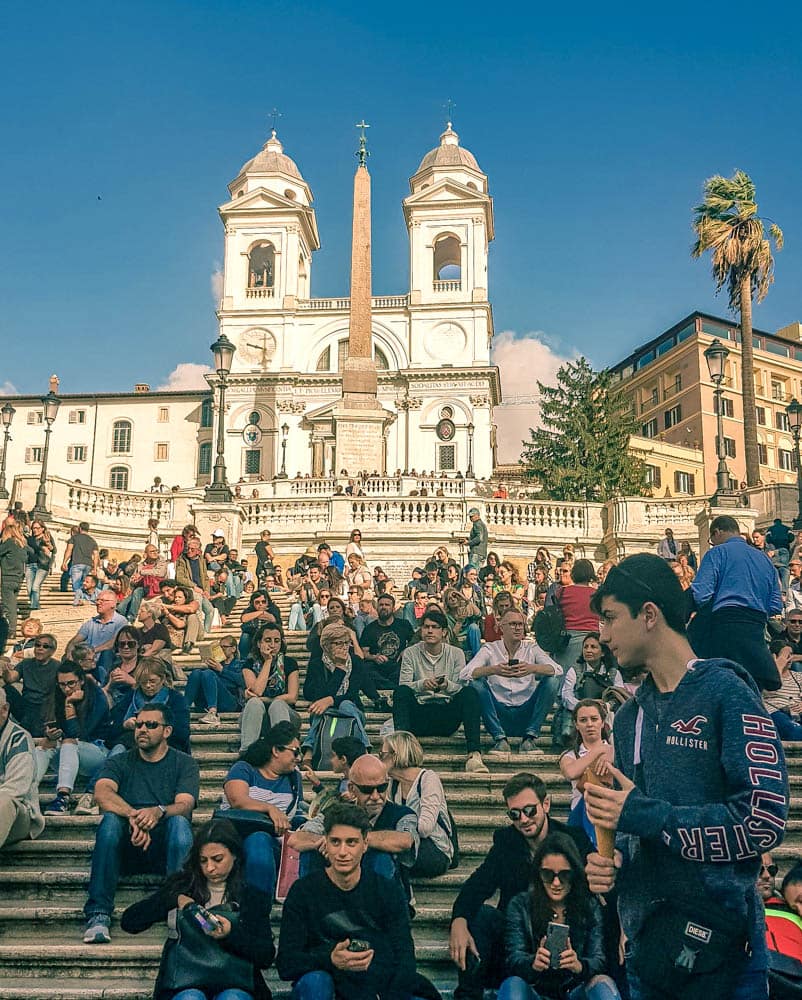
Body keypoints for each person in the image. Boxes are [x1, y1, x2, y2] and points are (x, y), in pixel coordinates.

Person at [584, 553, 789, 1000]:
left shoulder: (728, 693)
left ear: (650, 615)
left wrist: (647, 817)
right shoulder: (627, 718)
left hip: (723, 951)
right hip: (648, 953)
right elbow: (635, 826)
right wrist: (613, 861)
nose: (602, 634)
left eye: (611, 618)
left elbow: (763, 820)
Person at [449, 772, 592, 1000]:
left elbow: (595, 887)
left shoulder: (572, 839)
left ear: (546, 803)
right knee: (481, 917)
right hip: (516, 941)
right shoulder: (507, 841)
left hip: (563, 937)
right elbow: (478, 885)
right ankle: (467, 996)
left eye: (529, 810)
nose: (523, 820)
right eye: (514, 814)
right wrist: (459, 920)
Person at [277, 801, 430, 1000]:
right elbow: (286, 963)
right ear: (325, 842)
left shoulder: (386, 890)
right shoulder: (304, 891)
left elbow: (404, 958)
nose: (342, 852)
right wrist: (330, 958)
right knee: (315, 982)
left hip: (375, 984)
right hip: (326, 983)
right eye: (335, 842)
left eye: (351, 842)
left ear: (365, 844)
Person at [83, 702, 200, 944]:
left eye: (151, 724)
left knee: (179, 824)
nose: (142, 729)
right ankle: (98, 914)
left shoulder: (184, 763)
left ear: (167, 731)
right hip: (127, 846)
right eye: (139, 724)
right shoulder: (120, 761)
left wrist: (158, 812)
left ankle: (179, 910)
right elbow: (102, 793)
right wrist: (133, 816)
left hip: (166, 850)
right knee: (110, 822)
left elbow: (185, 804)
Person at [121, 817, 275, 1000]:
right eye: (203, 861)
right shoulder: (182, 886)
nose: (210, 868)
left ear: (235, 855)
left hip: (235, 981)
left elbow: (266, 955)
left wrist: (231, 934)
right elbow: (129, 922)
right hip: (185, 981)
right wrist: (173, 898)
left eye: (218, 859)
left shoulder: (251, 896)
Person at [497, 832, 619, 1000]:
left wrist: (578, 965)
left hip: (575, 990)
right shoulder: (521, 905)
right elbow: (513, 957)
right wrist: (533, 962)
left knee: (603, 984)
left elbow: (598, 958)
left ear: (574, 874)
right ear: (539, 874)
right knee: (512, 985)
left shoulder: (589, 906)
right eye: (548, 874)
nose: (556, 883)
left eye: (564, 875)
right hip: (536, 991)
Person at [288, 753, 419, 893]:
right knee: (310, 854)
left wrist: (351, 841)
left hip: (383, 897)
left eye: (381, 788)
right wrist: (327, 842)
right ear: (351, 788)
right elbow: (296, 839)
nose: (375, 796)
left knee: (381, 858)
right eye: (367, 790)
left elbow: (405, 841)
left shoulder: (402, 814)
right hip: (337, 893)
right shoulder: (336, 812)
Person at [689, 513, 783, 690]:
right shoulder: (764, 559)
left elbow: (701, 594)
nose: (712, 543)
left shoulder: (717, 553)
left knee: (720, 688)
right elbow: (775, 605)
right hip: (756, 632)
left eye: (711, 539)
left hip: (725, 629)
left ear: (717, 532)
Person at [220, 722, 306, 906]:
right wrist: (270, 809)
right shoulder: (244, 769)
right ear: (276, 750)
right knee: (258, 839)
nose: (299, 758)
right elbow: (237, 800)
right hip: (238, 839)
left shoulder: (294, 778)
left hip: (277, 844)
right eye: (295, 752)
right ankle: (257, 911)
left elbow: (295, 812)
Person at [394, 608, 487, 773]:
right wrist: (422, 684)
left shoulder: (456, 653)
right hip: (420, 714)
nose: (429, 630)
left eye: (434, 627)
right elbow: (404, 685)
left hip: (446, 714)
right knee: (400, 692)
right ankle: (403, 753)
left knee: (470, 693)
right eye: (426, 626)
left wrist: (446, 686)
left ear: (444, 632)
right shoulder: (410, 653)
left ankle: (474, 755)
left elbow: (461, 686)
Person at [462, 608, 562, 757]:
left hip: (525, 711)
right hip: (499, 713)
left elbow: (558, 669)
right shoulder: (490, 648)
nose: (518, 628)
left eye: (520, 624)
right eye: (513, 624)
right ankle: (500, 739)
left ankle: (530, 738)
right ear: (502, 627)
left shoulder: (531, 648)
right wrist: (493, 670)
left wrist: (532, 668)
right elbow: (464, 674)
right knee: (476, 684)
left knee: (552, 681)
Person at [35, 661, 112, 815]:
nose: (67, 688)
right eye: (62, 684)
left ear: (81, 680)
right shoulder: (57, 696)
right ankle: (27, 790)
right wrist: (50, 736)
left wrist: (69, 705)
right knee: (42, 748)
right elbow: (56, 729)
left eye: (71, 683)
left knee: (69, 742)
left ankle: (63, 797)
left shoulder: (96, 696)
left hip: (97, 752)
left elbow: (79, 734)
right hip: (68, 755)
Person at [300, 624, 382, 767]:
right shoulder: (317, 664)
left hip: (352, 711)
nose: (344, 647)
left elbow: (352, 694)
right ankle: (308, 751)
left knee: (345, 704)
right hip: (324, 712)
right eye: (338, 643)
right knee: (322, 710)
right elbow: (315, 696)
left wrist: (330, 700)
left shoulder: (356, 662)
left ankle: (366, 748)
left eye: (346, 642)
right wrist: (339, 669)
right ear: (326, 645)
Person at [381, 731, 454, 877]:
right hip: (407, 844)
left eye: (382, 754)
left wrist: (400, 831)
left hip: (435, 850)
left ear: (396, 755)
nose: (379, 759)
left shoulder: (428, 779)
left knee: (390, 857)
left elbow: (425, 827)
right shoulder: (393, 784)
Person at [108, 657, 191, 756]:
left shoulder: (176, 699)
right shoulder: (130, 698)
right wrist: (125, 725)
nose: (148, 686)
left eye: (152, 681)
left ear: (162, 679)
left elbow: (182, 733)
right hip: (130, 743)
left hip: (166, 746)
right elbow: (109, 729)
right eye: (143, 682)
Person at [559, 700, 613, 848]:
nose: (589, 724)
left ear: (602, 723)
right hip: (580, 815)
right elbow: (571, 772)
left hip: (610, 811)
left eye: (594, 719)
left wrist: (612, 751)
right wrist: (601, 750)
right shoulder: (569, 756)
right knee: (590, 797)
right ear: (576, 725)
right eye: (583, 720)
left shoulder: (616, 751)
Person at [240, 625, 300, 750]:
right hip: (256, 718)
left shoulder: (290, 663)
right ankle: (248, 752)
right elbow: (257, 691)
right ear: (259, 643)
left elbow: (292, 697)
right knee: (254, 703)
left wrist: (267, 700)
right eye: (268, 640)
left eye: (276, 641)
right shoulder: (249, 664)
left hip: (285, 717)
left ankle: (283, 751)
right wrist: (267, 661)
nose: (272, 645)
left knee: (277, 704)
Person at [0, 686, 45, 851]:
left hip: (19, 814)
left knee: (3, 801)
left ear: (5, 709)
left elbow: (15, 789)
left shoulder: (18, 739)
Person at [1, 631, 59, 736]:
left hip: (45, 707)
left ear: (52, 651)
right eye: (37, 645)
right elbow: (10, 679)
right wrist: (5, 671)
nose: (40, 648)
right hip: (26, 705)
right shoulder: (26, 663)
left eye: (45, 646)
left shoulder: (57, 666)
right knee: (6, 689)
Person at [65, 589, 128, 682]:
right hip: (87, 659)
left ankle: (104, 687)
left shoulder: (121, 621)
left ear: (113, 604)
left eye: (102, 601)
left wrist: (92, 651)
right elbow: (75, 640)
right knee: (67, 656)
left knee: (107, 653)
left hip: (106, 660)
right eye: (97, 600)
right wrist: (69, 652)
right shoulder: (91, 622)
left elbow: (112, 643)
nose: (98, 603)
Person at [185, 635, 245, 727]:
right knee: (196, 673)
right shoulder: (216, 664)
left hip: (230, 701)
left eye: (224, 647)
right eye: (219, 648)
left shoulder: (240, 664)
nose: (221, 650)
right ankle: (184, 709)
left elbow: (242, 681)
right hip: (209, 701)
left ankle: (212, 713)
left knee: (208, 673)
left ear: (233, 649)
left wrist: (221, 670)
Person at [360, 594, 415, 690]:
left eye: (387, 605)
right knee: (365, 669)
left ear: (393, 608)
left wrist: (406, 650)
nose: (384, 607)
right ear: (377, 608)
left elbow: (415, 642)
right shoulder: (369, 629)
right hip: (377, 667)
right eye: (381, 605)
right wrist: (374, 657)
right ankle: (393, 688)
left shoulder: (403, 624)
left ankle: (389, 687)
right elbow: (364, 652)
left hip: (398, 665)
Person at [763, 638, 802, 740]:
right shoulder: (766, 677)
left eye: (791, 655)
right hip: (776, 711)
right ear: (774, 656)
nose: (789, 658)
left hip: (797, 712)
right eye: (785, 655)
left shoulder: (798, 676)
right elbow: (769, 691)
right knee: (796, 732)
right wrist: (778, 666)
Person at [0, 520, 31, 642]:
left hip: (8, 578)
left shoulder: (9, 543)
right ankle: (11, 629)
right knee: (11, 604)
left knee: (9, 606)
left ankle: (11, 630)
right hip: (18, 578)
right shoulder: (21, 544)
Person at [177, 536, 214, 634]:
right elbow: (180, 578)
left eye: (192, 549)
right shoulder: (182, 560)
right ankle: (198, 633)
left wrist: (206, 590)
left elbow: (205, 577)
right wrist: (194, 586)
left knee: (210, 610)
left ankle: (206, 632)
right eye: (188, 548)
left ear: (198, 550)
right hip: (190, 589)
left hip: (201, 590)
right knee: (199, 609)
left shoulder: (201, 560)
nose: (189, 551)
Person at [61, 521, 99, 607]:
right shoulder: (92, 540)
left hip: (77, 563)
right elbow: (96, 555)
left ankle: (77, 603)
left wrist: (64, 562)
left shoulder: (74, 538)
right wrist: (95, 568)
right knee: (85, 585)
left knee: (77, 586)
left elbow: (69, 550)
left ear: (80, 528)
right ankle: (83, 602)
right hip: (88, 564)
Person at [239, 591, 283, 659]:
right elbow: (244, 618)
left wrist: (255, 614)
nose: (260, 604)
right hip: (253, 636)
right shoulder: (250, 609)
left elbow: (273, 619)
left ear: (268, 602)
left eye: (263, 602)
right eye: (257, 602)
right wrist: (261, 612)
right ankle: (243, 659)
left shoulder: (273, 609)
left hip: (270, 636)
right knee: (245, 636)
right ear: (252, 603)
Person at [25, 519, 55, 612]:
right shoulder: (30, 539)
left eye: (37, 528)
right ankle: (36, 605)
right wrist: (42, 547)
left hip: (42, 566)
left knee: (35, 587)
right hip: (30, 565)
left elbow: (54, 550)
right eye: (33, 528)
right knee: (29, 589)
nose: (35, 530)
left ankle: (34, 608)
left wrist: (48, 544)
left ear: (42, 528)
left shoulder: (47, 537)